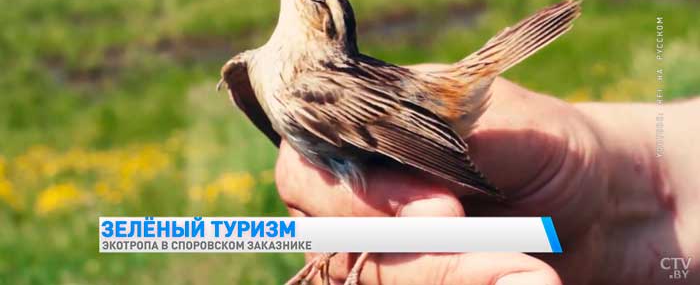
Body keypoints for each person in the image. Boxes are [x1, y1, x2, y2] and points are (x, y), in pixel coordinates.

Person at [274, 68, 699, 285]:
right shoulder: (272, 76)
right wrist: (616, 192)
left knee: (415, 211)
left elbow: (392, 131)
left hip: (417, 136)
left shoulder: (309, 85)